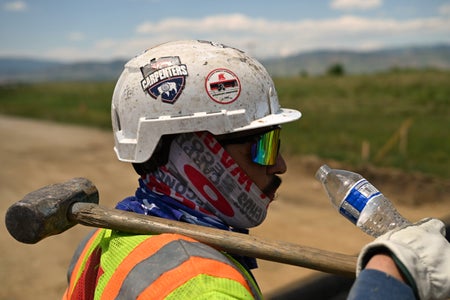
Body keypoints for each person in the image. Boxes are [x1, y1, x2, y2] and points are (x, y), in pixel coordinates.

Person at [63, 40, 450, 300]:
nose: (280, 164)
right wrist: (388, 275)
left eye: (276, 143)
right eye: (263, 147)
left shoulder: (107, 235)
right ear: (195, 153)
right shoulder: (204, 285)